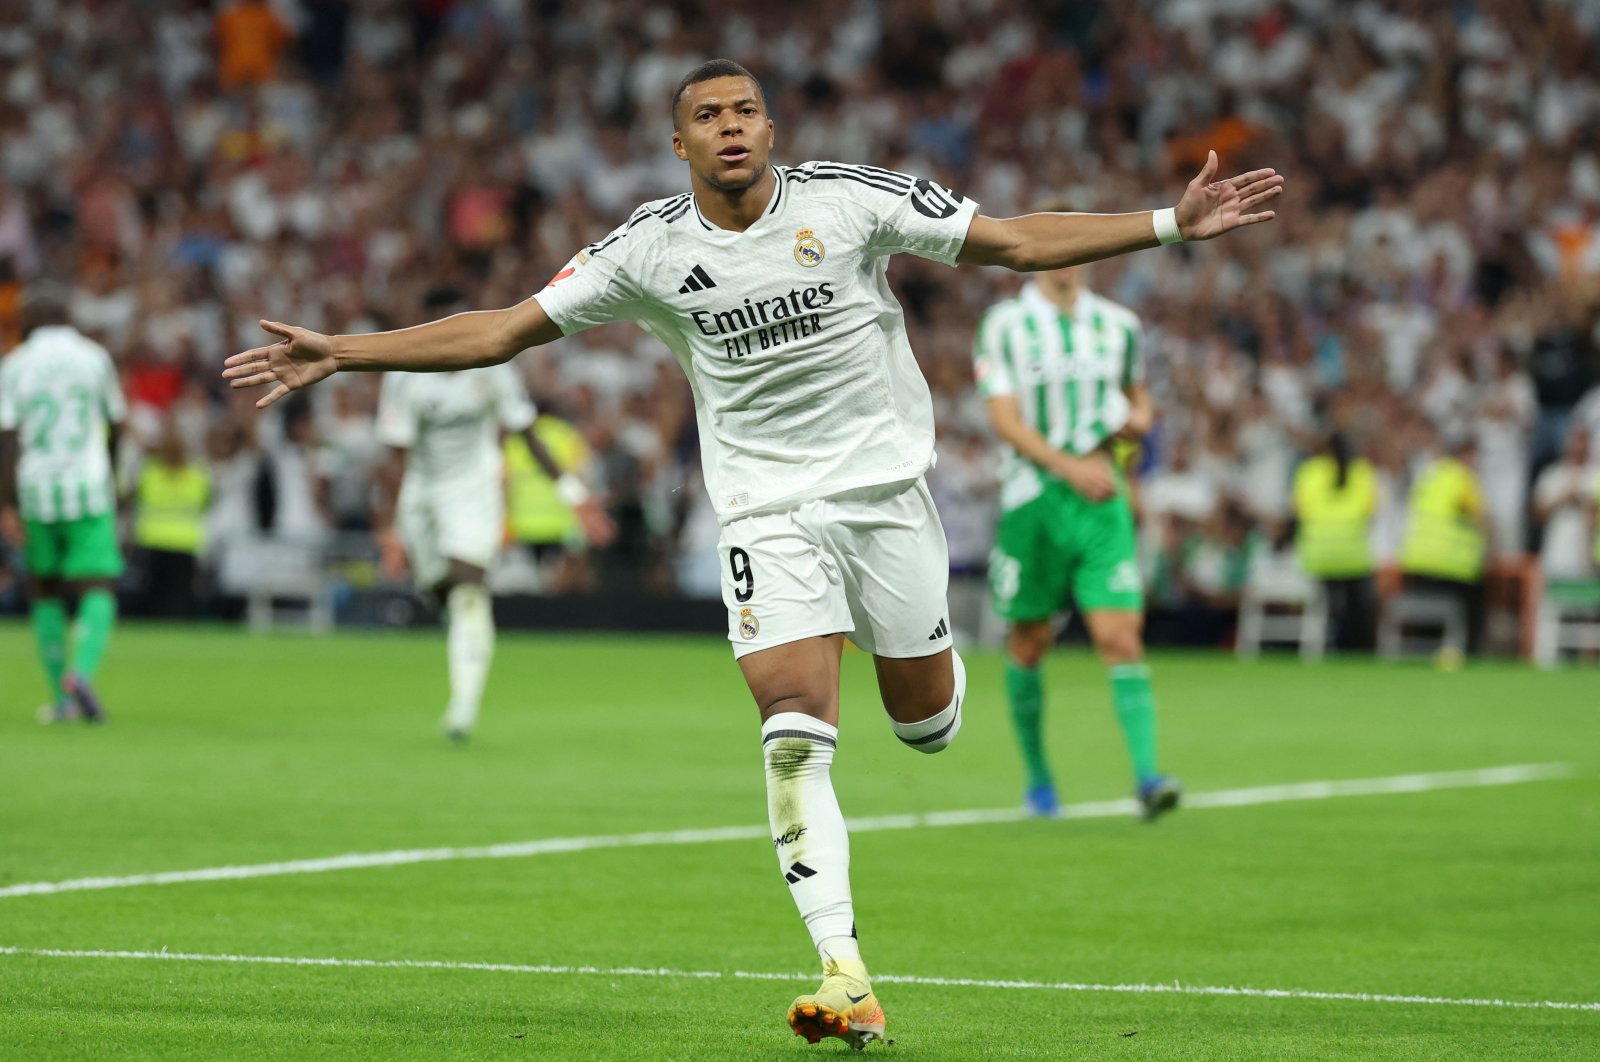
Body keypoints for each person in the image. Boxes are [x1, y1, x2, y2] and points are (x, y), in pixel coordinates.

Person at [224, 59, 1282, 1050]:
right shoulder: (646, 247)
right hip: (762, 515)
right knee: (791, 733)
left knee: (925, 727)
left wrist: (1163, 226)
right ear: (677, 145)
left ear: (769, 129)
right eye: (706, 118)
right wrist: (347, 352)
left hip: (882, 503)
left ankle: (940, 676)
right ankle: (844, 972)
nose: (729, 128)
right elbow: (503, 329)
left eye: (743, 112)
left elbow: (1008, 241)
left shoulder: (850, 199)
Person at [971, 234, 1179, 820]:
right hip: (1032, 500)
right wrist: (1070, 467)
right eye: (1054, 247)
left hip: (1100, 501)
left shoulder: (1120, 325)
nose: (1066, 260)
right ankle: (1039, 779)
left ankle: (1148, 778)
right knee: (1029, 641)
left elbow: (1138, 399)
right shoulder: (1004, 324)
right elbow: (1004, 420)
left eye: (1076, 248)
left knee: (1120, 637)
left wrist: (1138, 420)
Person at [372, 290, 615, 741]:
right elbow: (394, 458)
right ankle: (455, 622)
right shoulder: (405, 374)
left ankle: (462, 708)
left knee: (469, 589)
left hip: (474, 487)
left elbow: (526, 432)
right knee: (441, 591)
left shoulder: (495, 367)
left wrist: (572, 491)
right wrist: (392, 528)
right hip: (422, 491)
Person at [0, 285, 126, 722]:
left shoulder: (14, 365)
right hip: (88, 485)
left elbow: (7, 438)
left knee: (45, 589)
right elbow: (117, 423)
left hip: (36, 490)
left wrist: (7, 505)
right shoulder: (94, 357)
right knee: (98, 585)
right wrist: (113, 476)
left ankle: (61, 699)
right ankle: (81, 672)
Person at [1292, 431, 1380, 650]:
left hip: (1319, 553)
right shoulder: (1362, 472)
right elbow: (1371, 510)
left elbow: (1299, 510)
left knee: (1326, 607)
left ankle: (1325, 646)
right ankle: (1357, 649)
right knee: (1356, 608)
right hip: (1354, 553)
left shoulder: (1310, 471)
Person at [131, 415, 212, 618]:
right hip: (184, 540)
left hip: (153, 538)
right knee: (179, 597)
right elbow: (206, 502)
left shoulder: (149, 471)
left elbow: (133, 497)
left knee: (154, 595)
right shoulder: (197, 474)